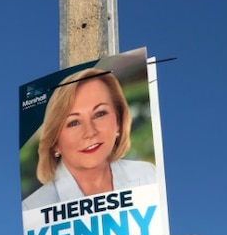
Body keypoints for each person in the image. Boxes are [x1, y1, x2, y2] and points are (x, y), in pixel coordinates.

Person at [22, 68, 157, 211]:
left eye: (100, 114)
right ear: (55, 143)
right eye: (73, 122)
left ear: (118, 121)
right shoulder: (33, 208)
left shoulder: (147, 174)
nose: (90, 132)